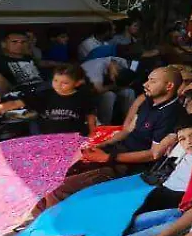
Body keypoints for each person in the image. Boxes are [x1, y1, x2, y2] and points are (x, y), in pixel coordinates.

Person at [33, 67, 184, 216]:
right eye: (148, 79)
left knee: (57, 188)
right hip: (114, 153)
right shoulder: (148, 102)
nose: (146, 84)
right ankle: (37, 221)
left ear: (169, 86)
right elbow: (127, 131)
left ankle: (53, 225)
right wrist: (101, 145)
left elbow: (153, 154)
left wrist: (108, 157)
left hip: (128, 167)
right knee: (48, 175)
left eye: (153, 81)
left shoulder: (172, 114)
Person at [0, 63, 96, 135]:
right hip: (47, 138)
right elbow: (14, 104)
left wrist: (92, 134)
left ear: (77, 83)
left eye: (65, 83)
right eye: (55, 81)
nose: (58, 85)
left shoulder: (83, 97)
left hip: (74, 138)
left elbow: (90, 116)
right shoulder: (44, 95)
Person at [0, 30, 46, 94]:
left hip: (42, 90)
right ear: (4, 44)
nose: (19, 45)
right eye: (14, 42)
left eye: (23, 42)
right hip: (19, 94)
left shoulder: (29, 58)